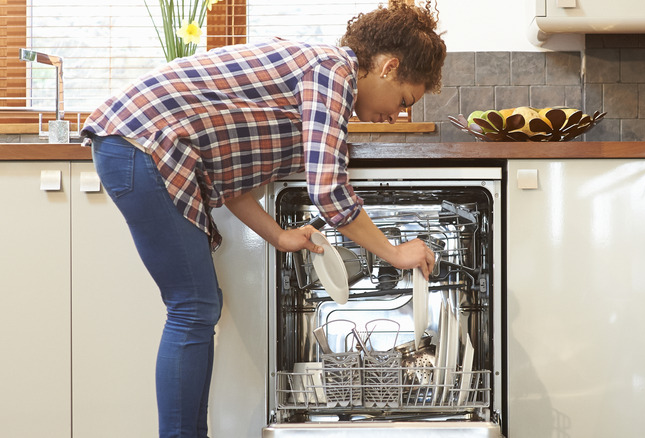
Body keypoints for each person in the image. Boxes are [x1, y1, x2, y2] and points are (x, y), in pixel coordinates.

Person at [79, 0, 445, 437]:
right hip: (142, 145)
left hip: (139, 147)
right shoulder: (332, 71)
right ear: (388, 66)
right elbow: (328, 191)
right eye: (405, 100)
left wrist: (279, 235)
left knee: (197, 309)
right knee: (193, 309)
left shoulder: (317, 87)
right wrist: (393, 252)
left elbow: (234, 181)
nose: (397, 114)